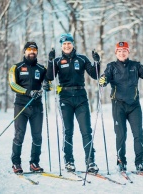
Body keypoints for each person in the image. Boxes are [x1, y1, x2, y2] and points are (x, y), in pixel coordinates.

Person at [99, 41, 143, 172]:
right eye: (119, 51)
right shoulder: (111, 67)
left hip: (134, 106)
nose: (122, 53)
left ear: (128, 52)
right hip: (118, 106)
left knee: (138, 134)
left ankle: (139, 162)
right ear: (116, 53)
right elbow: (105, 77)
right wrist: (103, 80)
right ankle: (121, 162)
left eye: (124, 51)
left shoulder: (135, 66)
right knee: (121, 135)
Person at [43, 33, 100, 173]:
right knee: (68, 131)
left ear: (73, 44)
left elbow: (95, 75)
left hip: (81, 97)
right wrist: (50, 61)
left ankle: (90, 161)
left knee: (86, 130)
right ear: (61, 46)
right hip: (65, 99)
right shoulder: (57, 61)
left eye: (69, 43)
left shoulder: (81, 59)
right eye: (64, 44)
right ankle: (69, 161)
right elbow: (50, 77)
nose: (67, 46)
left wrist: (97, 62)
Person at [8, 41, 47, 174]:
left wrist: (47, 86)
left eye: (34, 50)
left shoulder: (42, 69)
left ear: (37, 52)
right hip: (21, 106)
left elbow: (49, 84)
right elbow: (13, 85)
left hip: (37, 107)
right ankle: (16, 163)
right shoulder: (16, 67)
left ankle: (34, 162)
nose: (32, 52)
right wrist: (27, 92)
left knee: (37, 136)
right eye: (29, 50)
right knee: (19, 135)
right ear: (24, 52)